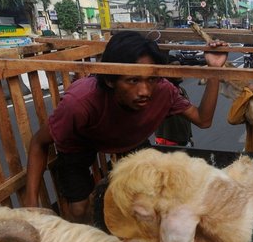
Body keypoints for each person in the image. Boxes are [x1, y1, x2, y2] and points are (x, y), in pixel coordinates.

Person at [24, 30, 228, 223]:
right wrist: (31, 204)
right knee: (79, 210)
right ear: (110, 81)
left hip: (130, 139)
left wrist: (214, 70)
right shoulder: (79, 102)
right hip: (82, 141)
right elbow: (38, 143)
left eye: (152, 79)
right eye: (133, 80)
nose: (145, 91)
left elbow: (203, 119)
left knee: (153, 195)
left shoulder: (164, 91)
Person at [154, 58, 193, 147]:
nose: (179, 71)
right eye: (174, 68)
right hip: (168, 145)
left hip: (184, 142)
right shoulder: (163, 92)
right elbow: (203, 121)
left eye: (179, 67)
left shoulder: (182, 90)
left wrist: (189, 138)